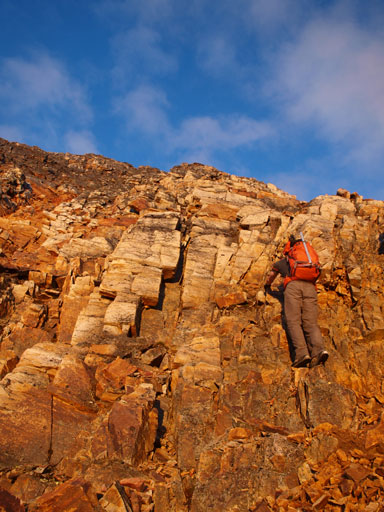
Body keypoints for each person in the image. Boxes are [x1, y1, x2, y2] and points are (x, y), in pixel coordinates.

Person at [264, 235, 328, 368]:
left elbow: (271, 276)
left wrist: (267, 286)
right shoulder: (309, 259)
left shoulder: (285, 261)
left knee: (293, 321)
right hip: (311, 288)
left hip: (293, 287)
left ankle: (302, 354)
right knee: (310, 323)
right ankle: (319, 351)